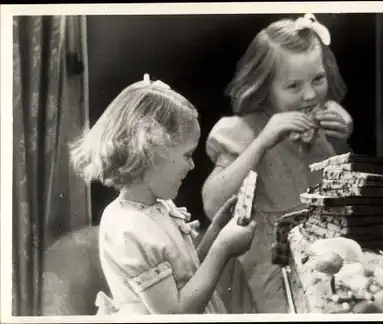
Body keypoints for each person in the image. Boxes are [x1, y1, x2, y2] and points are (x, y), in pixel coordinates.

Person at [202, 14, 354, 313]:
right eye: (294, 86)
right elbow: (213, 203)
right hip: (263, 266)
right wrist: (262, 142)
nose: (310, 94)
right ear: (264, 86)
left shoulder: (322, 122)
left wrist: (340, 138)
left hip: (318, 253)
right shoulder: (241, 133)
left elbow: (337, 190)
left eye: (318, 79)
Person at [69, 74, 256, 315]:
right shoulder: (128, 228)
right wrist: (223, 248)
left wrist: (215, 232)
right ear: (151, 153)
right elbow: (174, 314)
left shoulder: (158, 205)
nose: (192, 166)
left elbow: (184, 275)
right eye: (187, 155)